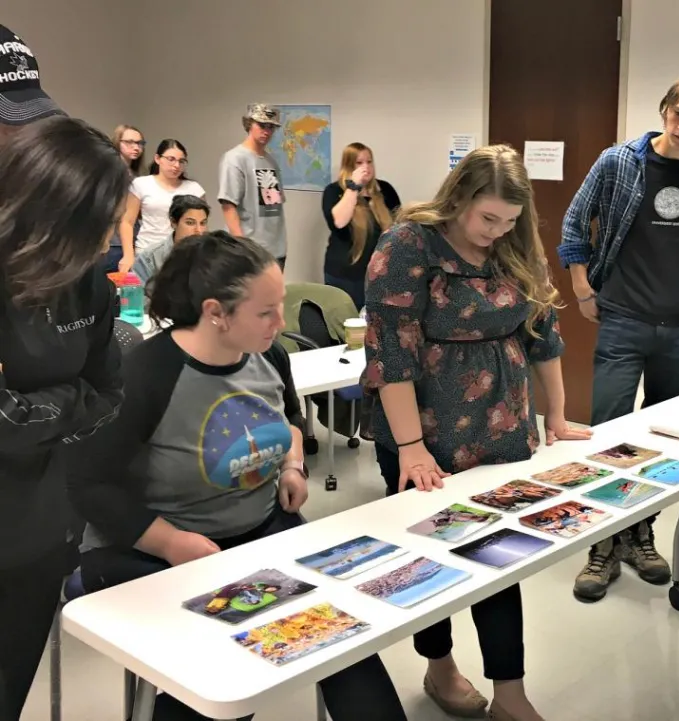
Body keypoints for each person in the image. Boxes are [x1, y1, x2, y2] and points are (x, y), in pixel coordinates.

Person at [69, 231, 408, 721]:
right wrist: (170, 543)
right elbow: (86, 484)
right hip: (164, 549)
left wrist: (292, 464)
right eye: (266, 312)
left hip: (259, 531)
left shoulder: (269, 355)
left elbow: (291, 420)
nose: (281, 322)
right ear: (216, 312)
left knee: (346, 646)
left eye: (281, 306)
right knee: (231, 676)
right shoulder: (146, 374)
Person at [365, 144, 591, 721]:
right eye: (487, 218)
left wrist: (557, 416)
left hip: (502, 425)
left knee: (500, 555)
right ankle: (439, 666)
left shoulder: (513, 243)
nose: (498, 231)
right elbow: (392, 355)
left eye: (510, 221)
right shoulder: (407, 246)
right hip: (424, 429)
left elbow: (543, 331)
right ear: (458, 197)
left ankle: (509, 693)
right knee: (429, 555)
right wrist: (411, 448)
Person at [559, 68, 679, 603]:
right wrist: (584, 290)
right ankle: (602, 544)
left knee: (663, 442)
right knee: (612, 436)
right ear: (664, 109)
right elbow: (574, 223)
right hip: (624, 318)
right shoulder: (619, 162)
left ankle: (641, 535)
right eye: (677, 113)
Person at [0, 116, 130, 718]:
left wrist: (35, 407)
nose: (109, 240)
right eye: (99, 224)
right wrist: (66, 400)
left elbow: (108, 395)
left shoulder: (91, 290)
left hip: (44, 532)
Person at [322, 142, 401, 309]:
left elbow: (399, 228)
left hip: (379, 275)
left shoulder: (385, 190)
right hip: (345, 276)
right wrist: (353, 187)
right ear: (349, 165)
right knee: (346, 329)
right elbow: (339, 222)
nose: (366, 167)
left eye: (369, 161)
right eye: (359, 163)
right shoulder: (334, 191)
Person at [120, 138, 207, 282]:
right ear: (157, 158)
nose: (176, 165)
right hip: (147, 252)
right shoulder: (142, 184)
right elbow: (127, 221)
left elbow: (202, 223)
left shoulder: (194, 188)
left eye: (181, 161)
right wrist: (128, 254)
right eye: (171, 159)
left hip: (183, 253)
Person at [219, 104, 287, 268]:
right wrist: (242, 248)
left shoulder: (271, 161)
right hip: (250, 252)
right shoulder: (234, 159)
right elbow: (228, 206)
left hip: (276, 250)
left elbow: (274, 205)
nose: (267, 131)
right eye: (262, 125)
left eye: (271, 127)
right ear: (249, 124)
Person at [104, 124, 146, 273]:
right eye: (129, 142)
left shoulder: (138, 175)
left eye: (140, 143)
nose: (136, 147)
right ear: (117, 142)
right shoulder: (109, 172)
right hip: (112, 242)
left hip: (132, 240)